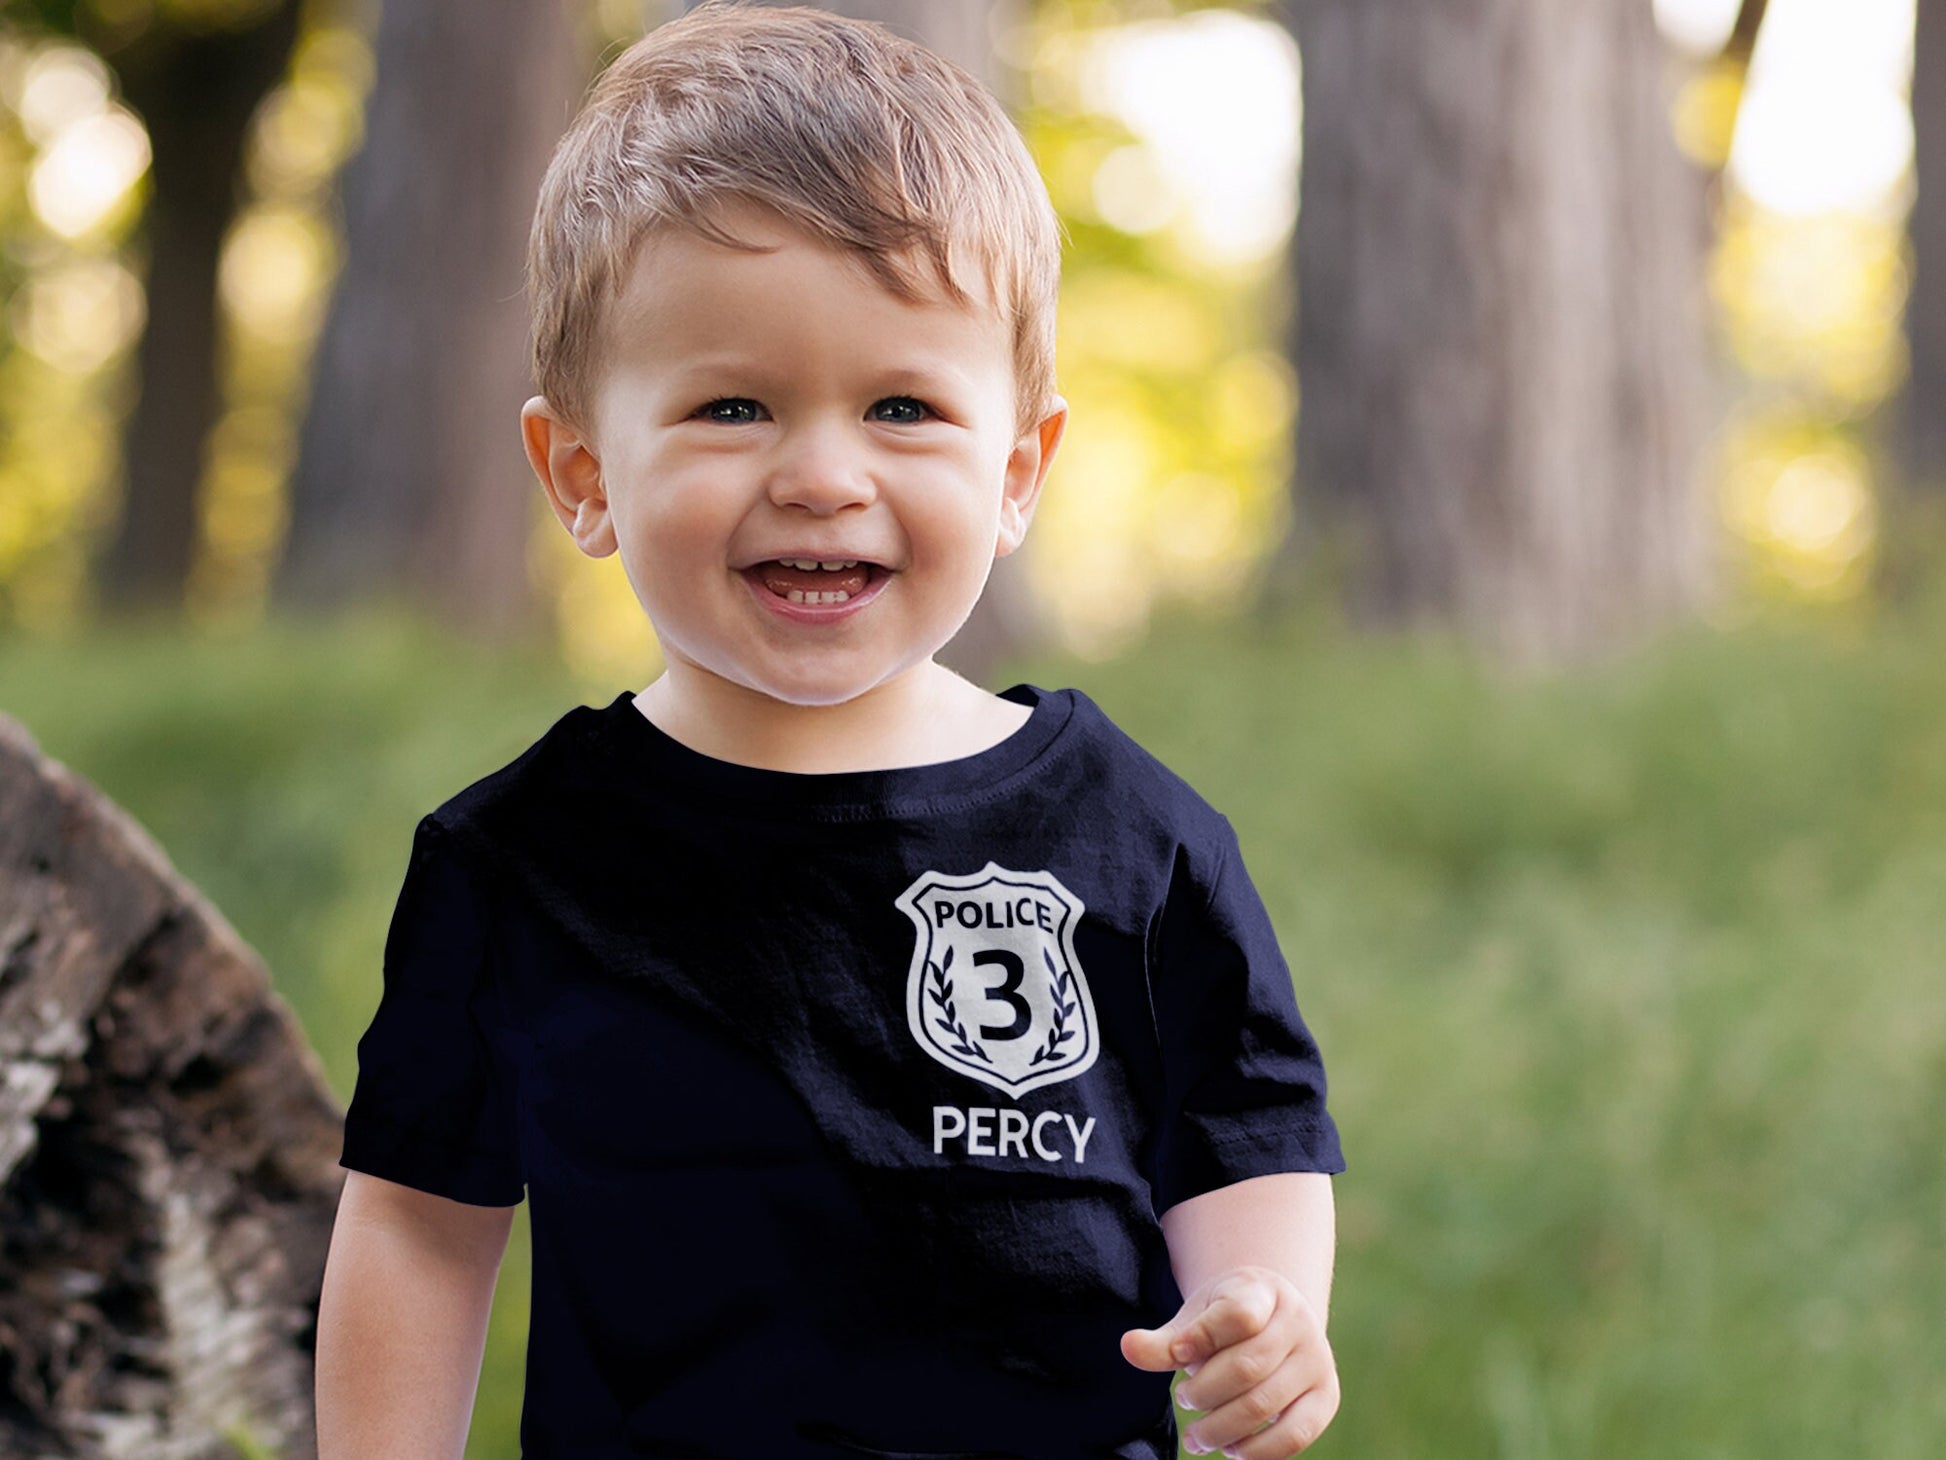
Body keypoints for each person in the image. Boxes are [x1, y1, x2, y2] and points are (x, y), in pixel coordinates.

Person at [313, 3, 1346, 1457]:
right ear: (582, 471)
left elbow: (1241, 1133)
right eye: (732, 405)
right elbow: (420, 1225)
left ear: (1017, 467)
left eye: (903, 407)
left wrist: (1259, 1300)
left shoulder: (1127, 834)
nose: (819, 474)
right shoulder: (520, 863)